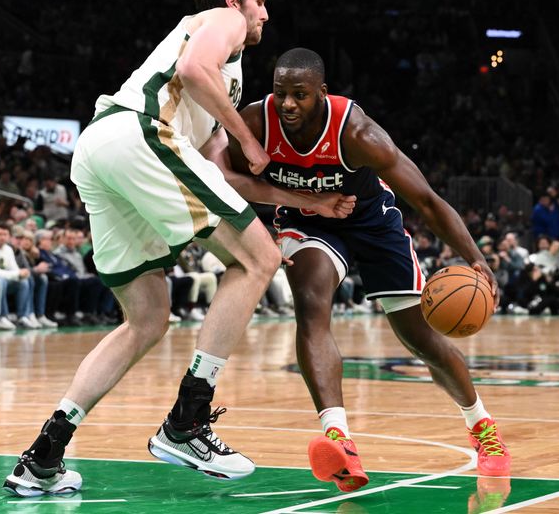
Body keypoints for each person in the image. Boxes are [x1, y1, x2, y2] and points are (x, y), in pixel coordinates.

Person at [3, 0, 355, 497]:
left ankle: (43, 455)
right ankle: (186, 422)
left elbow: (218, 173)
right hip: (139, 134)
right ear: (234, 0)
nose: (266, 12)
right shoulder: (221, 21)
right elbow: (192, 69)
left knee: (145, 319)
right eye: (259, 0)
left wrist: (307, 199)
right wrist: (252, 140)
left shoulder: (225, 77)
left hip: (103, 151)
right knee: (258, 260)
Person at [215, 48, 511, 491]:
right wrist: (287, 215)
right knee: (311, 304)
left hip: (372, 219)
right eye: (281, 94)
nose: (289, 104)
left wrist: (476, 257)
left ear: (322, 93)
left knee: (421, 338)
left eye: (300, 94)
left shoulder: (359, 133)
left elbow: (427, 200)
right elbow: (229, 177)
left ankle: (482, 425)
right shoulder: (256, 123)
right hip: (306, 219)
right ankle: (339, 438)